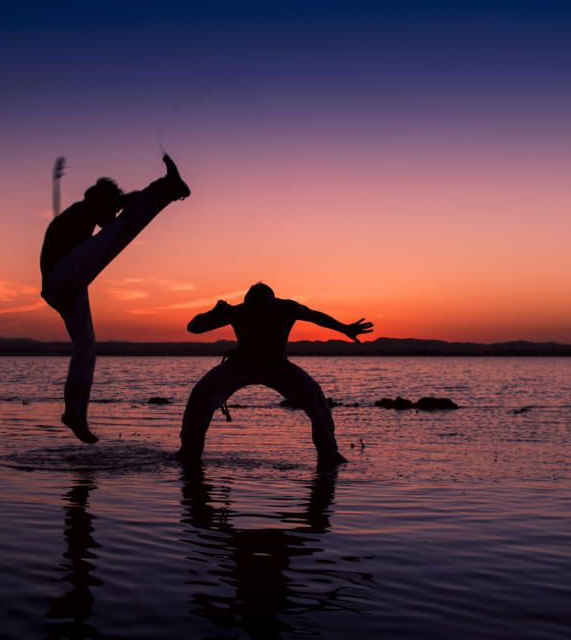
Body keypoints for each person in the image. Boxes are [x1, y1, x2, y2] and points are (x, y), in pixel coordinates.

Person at [40, 154, 190, 443]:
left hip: (64, 288)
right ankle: (166, 187)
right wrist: (156, 193)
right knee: (121, 230)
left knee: (86, 349)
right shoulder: (82, 212)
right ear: (99, 200)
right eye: (109, 203)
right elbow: (114, 216)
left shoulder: (84, 211)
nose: (111, 209)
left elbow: (116, 206)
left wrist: (131, 199)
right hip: (64, 276)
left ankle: (75, 414)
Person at [177, 282, 373, 468]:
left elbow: (315, 316)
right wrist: (213, 313)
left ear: (272, 302)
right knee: (201, 396)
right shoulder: (239, 311)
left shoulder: (286, 308)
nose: (258, 311)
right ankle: (189, 451)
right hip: (241, 364)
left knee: (315, 398)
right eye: (253, 306)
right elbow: (193, 327)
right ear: (247, 303)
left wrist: (345, 328)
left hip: (276, 365)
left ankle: (329, 453)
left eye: (261, 307)